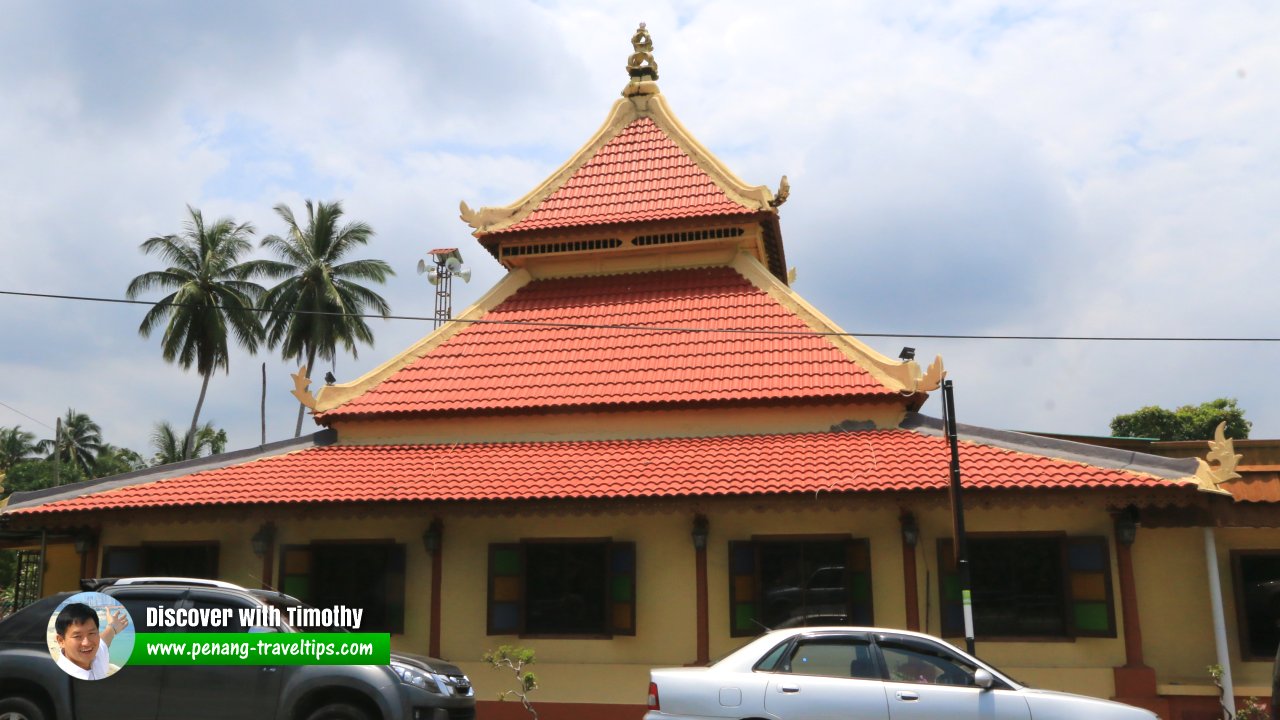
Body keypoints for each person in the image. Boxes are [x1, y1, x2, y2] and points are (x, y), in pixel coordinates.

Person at [53, 602, 128, 680]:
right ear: (61, 641)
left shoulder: (97, 654)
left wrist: (112, 627)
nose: (87, 643)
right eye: (77, 636)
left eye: (91, 633)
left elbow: (105, 639)